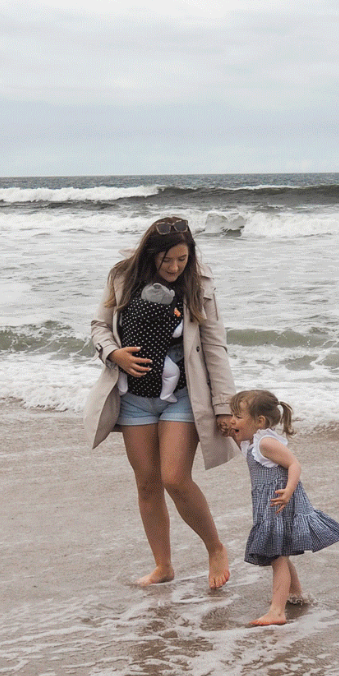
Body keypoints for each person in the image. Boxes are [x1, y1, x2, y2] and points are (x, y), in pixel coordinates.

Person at [84, 216, 237, 590]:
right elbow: (99, 326)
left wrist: (224, 405)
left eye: (182, 260)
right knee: (148, 485)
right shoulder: (123, 276)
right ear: (150, 254)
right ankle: (163, 566)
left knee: (174, 478)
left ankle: (215, 548)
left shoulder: (199, 286)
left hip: (183, 397)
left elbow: (215, 346)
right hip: (134, 399)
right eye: (166, 260)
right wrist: (114, 354)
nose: (174, 267)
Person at [228, 390, 339, 626]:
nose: (232, 421)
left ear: (259, 421)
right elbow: (238, 439)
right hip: (269, 505)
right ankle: (296, 594)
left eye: (238, 416)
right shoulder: (253, 440)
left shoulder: (266, 442)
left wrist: (289, 490)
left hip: (279, 504)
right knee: (280, 551)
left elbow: (294, 464)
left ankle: (277, 611)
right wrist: (230, 429)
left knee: (277, 556)